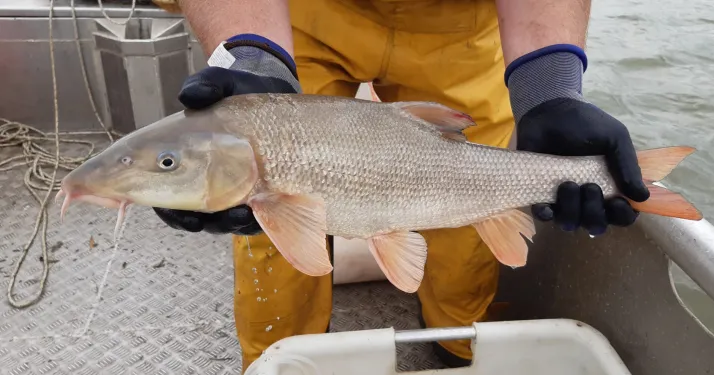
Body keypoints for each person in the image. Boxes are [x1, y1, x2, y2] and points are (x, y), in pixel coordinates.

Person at [150, 0, 650, 371]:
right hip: (295, 15)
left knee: (464, 241)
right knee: (269, 219)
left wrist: (549, 88)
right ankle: (278, 357)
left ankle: (459, 346)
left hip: (460, 22)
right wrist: (255, 57)